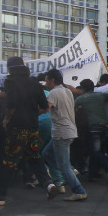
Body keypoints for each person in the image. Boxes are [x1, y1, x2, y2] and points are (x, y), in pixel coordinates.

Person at [0, 57, 56, 205]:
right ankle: (49, 184)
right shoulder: (34, 82)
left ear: (10, 68)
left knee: (9, 161)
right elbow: (44, 106)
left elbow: (11, 104)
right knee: (36, 158)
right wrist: (32, 113)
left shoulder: (10, 82)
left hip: (17, 128)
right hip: (32, 128)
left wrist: (6, 119)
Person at [42, 69, 87, 201]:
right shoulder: (67, 91)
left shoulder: (54, 92)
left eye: (46, 81)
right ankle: (60, 179)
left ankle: (78, 190)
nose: (46, 84)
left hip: (61, 133)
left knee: (64, 165)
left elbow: (45, 108)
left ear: (52, 80)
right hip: (69, 131)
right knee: (47, 153)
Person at [73, 79, 108, 181]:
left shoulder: (80, 99)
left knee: (94, 151)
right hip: (105, 126)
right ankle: (92, 173)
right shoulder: (101, 95)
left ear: (83, 88)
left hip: (93, 127)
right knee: (97, 150)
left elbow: (72, 109)